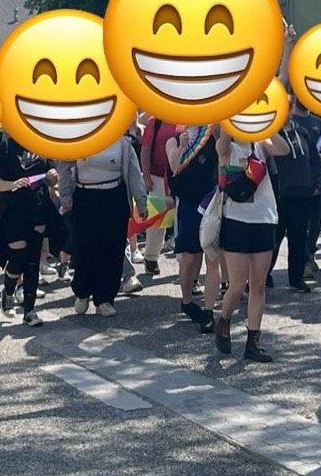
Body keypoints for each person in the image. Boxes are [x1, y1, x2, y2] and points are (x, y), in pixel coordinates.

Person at [212, 126, 289, 361]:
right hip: (236, 221)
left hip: (264, 219)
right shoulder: (227, 149)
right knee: (237, 284)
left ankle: (253, 342)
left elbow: (284, 149)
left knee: (257, 284)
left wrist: (267, 126)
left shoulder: (261, 145)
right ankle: (224, 320)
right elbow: (222, 142)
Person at [55, 131, 147, 319]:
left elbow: (134, 173)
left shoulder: (122, 142)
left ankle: (105, 299)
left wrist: (141, 201)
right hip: (85, 198)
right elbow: (64, 167)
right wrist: (64, 195)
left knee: (112, 250)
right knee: (84, 248)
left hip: (114, 198)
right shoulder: (78, 138)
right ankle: (81, 292)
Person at [0, 132, 59, 326]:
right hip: (13, 210)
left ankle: (30, 311)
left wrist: (53, 178)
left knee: (33, 261)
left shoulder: (43, 145)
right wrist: (13, 184)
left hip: (38, 208)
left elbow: (51, 178)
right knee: (18, 259)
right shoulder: (6, 148)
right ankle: (9, 290)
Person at [166, 123, 220, 329]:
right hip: (187, 202)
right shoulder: (175, 138)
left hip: (210, 200)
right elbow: (174, 166)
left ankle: (208, 310)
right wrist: (182, 146)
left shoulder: (211, 133)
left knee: (211, 256)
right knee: (189, 257)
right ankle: (187, 301)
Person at [273, 108, 321, 293]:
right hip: (279, 196)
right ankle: (262, 275)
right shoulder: (273, 134)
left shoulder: (302, 131)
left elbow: (314, 160)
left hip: (303, 194)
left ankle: (296, 279)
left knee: (298, 239)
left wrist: (318, 182)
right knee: (274, 239)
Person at [137, 114, 177, 276]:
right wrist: (146, 176)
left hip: (179, 176)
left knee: (178, 219)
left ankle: (186, 262)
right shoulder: (155, 121)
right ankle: (151, 257)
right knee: (159, 219)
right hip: (157, 176)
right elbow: (145, 149)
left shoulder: (188, 119)